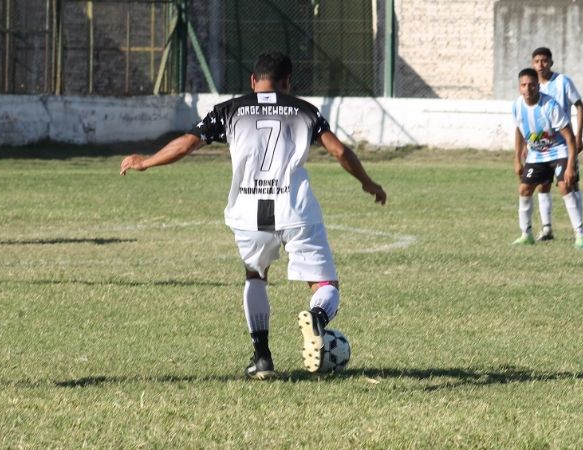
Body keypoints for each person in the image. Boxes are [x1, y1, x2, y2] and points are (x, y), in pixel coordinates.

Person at [120, 52, 386, 379]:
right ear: (288, 82)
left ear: (253, 81)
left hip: (248, 212)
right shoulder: (304, 111)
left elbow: (187, 145)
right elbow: (339, 151)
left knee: (256, 275)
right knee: (325, 284)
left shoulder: (230, 110)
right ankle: (317, 316)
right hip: (295, 208)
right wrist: (368, 183)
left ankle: (262, 359)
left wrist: (145, 162)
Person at [512, 68, 583, 249]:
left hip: (559, 151)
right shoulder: (517, 105)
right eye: (524, 85)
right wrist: (517, 158)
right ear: (519, 87)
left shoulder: (550, 106)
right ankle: (526, 234)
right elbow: (519, 131)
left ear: (538, 86)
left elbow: (569, 138)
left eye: (531, 85)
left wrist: (570, 165)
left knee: (564, 186)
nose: (528, 89)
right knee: (524, 189)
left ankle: (580, 235)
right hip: (537, 154)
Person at [530, 47, 583, 242]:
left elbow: (579, 106)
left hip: (564, 144)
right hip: (542, 147)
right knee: (542, 186)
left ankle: (579, 230)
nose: (540, 65)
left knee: (570, 184)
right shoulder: (532, 86)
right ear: (532, 64)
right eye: (536, 61)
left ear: (551, 62)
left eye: (544, 61)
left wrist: (578, 136)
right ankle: (547, 229)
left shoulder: (563, 82)